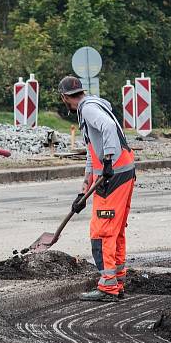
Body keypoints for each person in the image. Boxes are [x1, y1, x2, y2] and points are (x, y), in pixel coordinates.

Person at [59, 76, 136, 302]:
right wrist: (84, 190)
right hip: (124, 171)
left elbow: (109, 127)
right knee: (116, 228)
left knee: (101, 231)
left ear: (65, 97)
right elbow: (93, 156)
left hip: (114, 174)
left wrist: (109, 160)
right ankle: (117, 281)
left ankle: (108, 287)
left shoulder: (89, 109)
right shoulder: (93, 105)